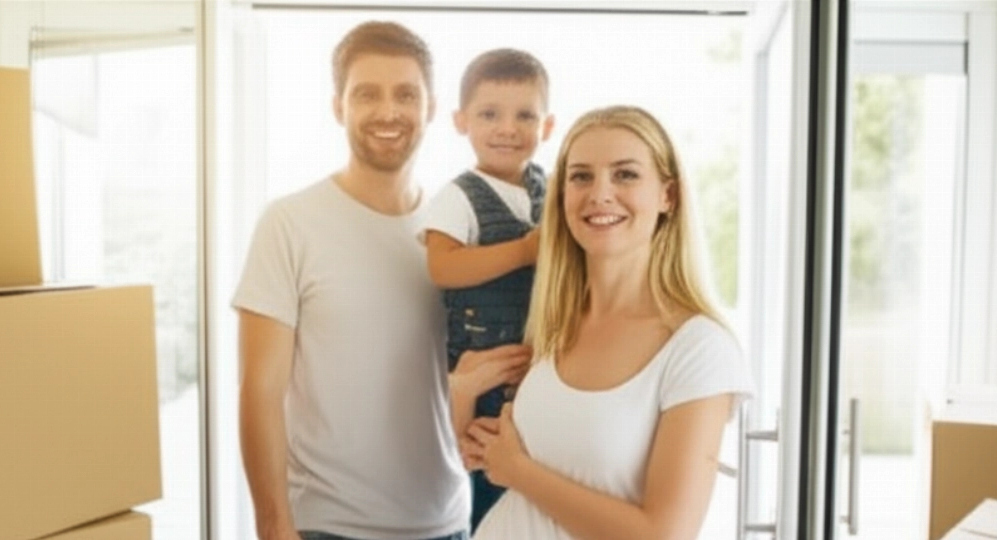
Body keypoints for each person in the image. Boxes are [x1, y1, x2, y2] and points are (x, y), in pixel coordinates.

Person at [233, 21, 482, 540]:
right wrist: (273, 527)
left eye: (406, 95)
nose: (388, 112)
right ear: (338, 106)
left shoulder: (456, 234)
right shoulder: (289, 223)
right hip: (326, 527)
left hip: (447, 524)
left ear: (430, 108)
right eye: (367, 94)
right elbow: (259, 390)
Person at [458, 105, 755, 540]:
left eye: (625, 174)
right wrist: (476, 415)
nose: (599, 193)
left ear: (667, 196)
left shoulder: (699, 349)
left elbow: (663, 534)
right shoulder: (556, 327)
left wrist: (519, 471)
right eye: (581, 176)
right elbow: (538, 455)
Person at [420, 47, 554, 531]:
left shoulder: (552, 189)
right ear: (461, 121)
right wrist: (523, 251)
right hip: (480, 367)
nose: (507, 128)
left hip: (537, 366)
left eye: (525, 116)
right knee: (483, 478)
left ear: (548, 126)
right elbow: (443, 267)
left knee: (533, 490)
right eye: (489, 114)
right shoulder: (459, 196)